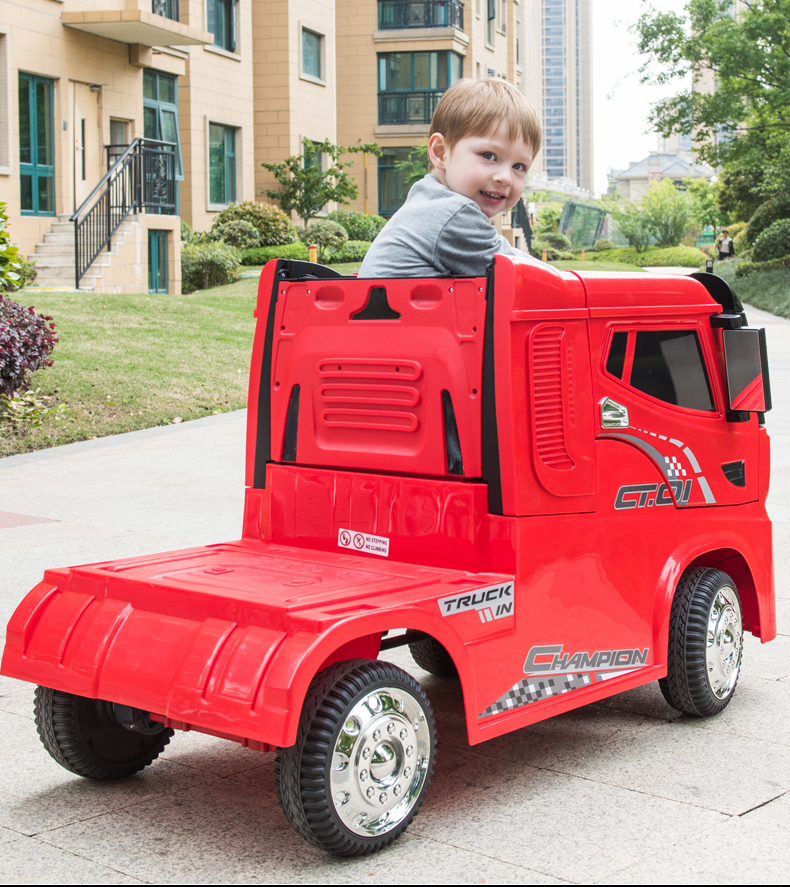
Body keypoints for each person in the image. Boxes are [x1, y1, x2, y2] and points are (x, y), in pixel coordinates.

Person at [359, 79, 542, 278]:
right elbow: (520, 273)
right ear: (440, 153)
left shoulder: (428, 201)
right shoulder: (451, 214)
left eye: (518, 166)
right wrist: (569, 279)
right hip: (395, 309)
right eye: (488, 156)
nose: (505, 178)